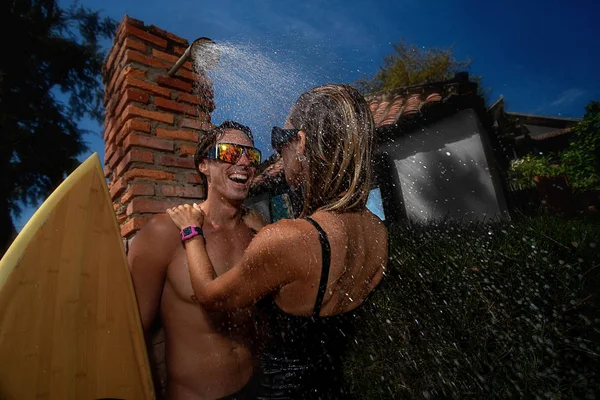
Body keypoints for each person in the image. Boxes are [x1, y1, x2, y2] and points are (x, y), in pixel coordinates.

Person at [167, 84, 389, 399]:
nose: (272, 155)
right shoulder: (376, 230)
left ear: (300, 142)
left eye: (278, 139)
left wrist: (191, 231)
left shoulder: (290, 237)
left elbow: (210, 296)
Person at [128, 121, 268, 400]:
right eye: (229, 152)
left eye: (251, 156)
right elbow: (132, 335)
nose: (243, 162)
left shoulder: (257, 229)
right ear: (204, 165)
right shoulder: (164, 232)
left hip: (257, 387)